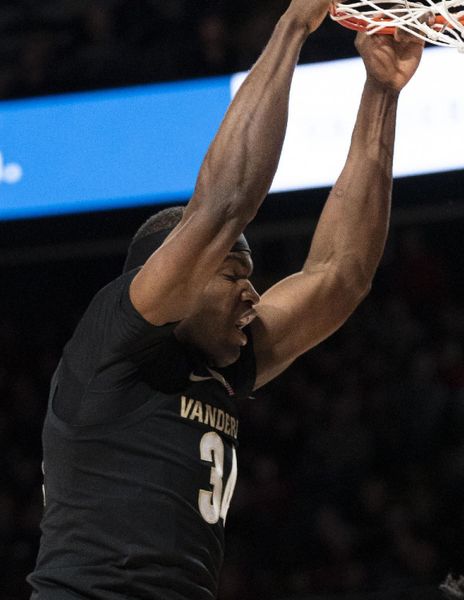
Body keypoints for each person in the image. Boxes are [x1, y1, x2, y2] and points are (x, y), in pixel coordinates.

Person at [28, 1, 425, 598]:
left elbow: (341, 274)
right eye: (232, 273)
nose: (252, 292)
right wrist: (295, 26)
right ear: (173, 284)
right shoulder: (113, 341)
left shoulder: (222, 362)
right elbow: (224, 202)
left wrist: (381, 93)